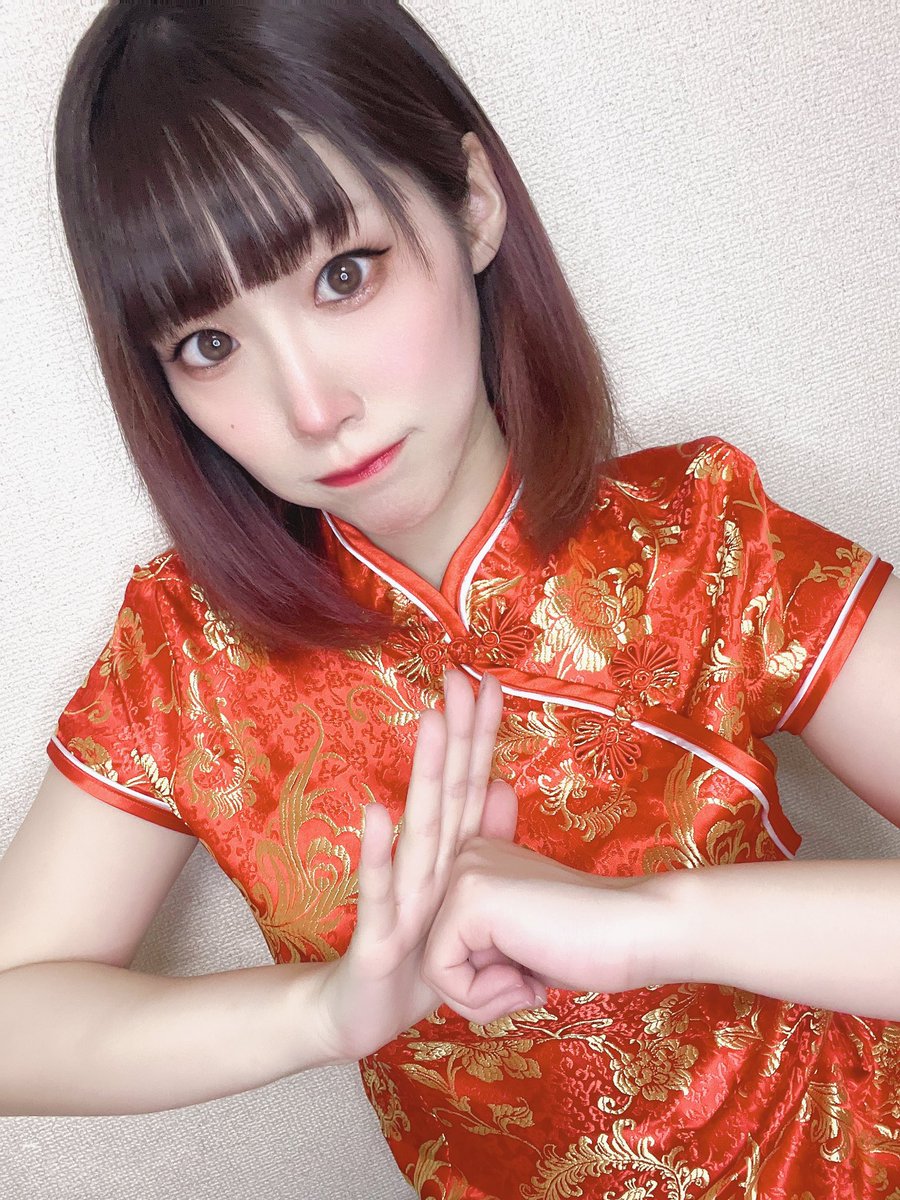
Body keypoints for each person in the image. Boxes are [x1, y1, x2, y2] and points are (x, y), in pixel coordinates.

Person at [0, 1, 897, 1195]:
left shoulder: (698, 546)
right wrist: (326, 1010)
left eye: (344, 274)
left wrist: (652, 923)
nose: (312, 408)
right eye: (208, 345)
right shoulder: (189, 657)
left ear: (471, 201)